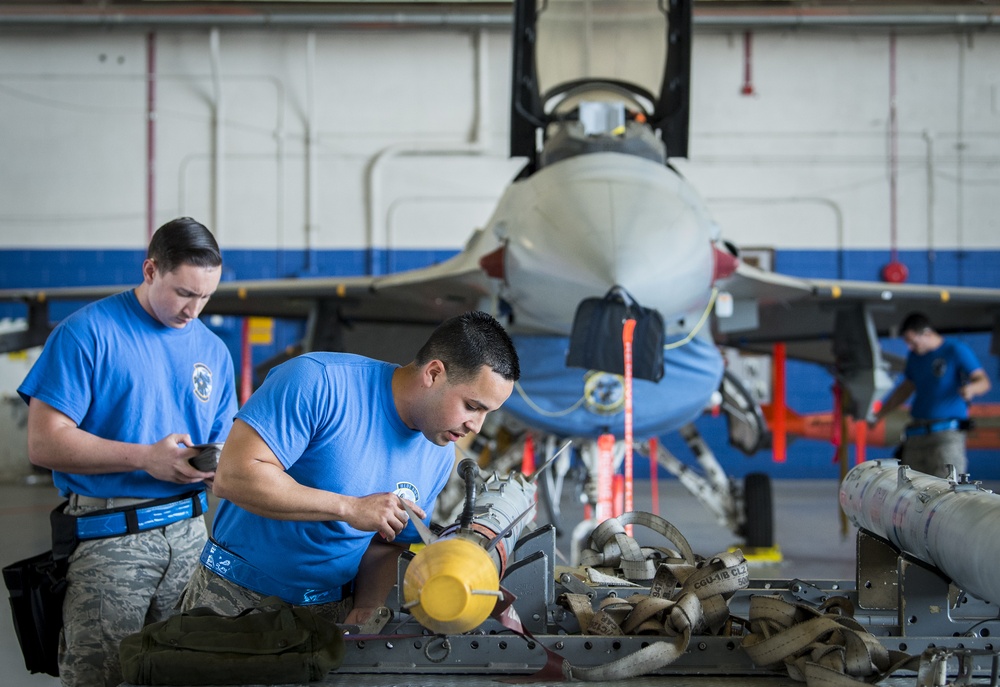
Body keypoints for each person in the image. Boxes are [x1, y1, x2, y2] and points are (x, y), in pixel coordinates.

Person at [178, 310, 520, 627]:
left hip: (329, 614)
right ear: (433, 373)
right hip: (233, 601)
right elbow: (233, 476)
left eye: (487, 413)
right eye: (472, 406)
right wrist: (349, 508)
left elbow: (387, 543)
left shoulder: (438, 454)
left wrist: (368, 607)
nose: (476, 426)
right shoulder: (319, 381)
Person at [17, 217, 237, 687]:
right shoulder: (86, 334)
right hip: (111, 541)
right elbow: (43, 441)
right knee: (103, 676)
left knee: (190, 672)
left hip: (190, 538)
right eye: (183, 292)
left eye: (206, 297)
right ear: (151, 269)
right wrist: (145, 458)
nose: (193, 309)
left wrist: (221, 465)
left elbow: (222, 441)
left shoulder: (213, 351)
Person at [869, 311, 991, 478]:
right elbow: (905, 389)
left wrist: (971, 389)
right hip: (916, 435)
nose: (910, 347)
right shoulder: (914, 357)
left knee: (947, 486)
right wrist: (880, 414)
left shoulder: (955, 350)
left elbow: (983, 381)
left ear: (926, 333)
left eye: (912, 341)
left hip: (946, 436)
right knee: (912, 488)